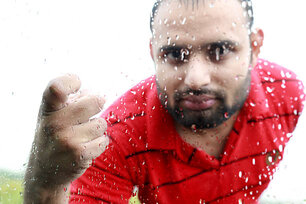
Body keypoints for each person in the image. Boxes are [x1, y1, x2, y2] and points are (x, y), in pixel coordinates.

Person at [24, 0, 305, 203]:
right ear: (153, 54)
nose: (196, 79)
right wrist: (45, 185)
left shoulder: (286, 94)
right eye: (174, 54)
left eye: (219, 50)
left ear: (254, 48)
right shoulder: (112, 139)